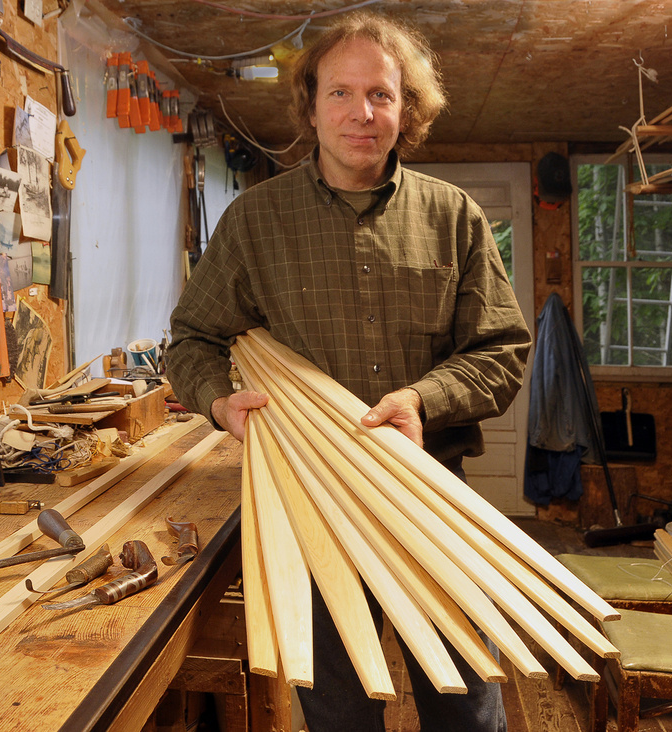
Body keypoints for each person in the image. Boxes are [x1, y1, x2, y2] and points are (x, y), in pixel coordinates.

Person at [167, 10, 532, 732]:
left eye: (381, 95)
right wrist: (217, 403)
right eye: (341, 93)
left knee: (469, 713)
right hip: (311, 512)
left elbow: (503, 350)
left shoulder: (453, 217)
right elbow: (190, 341)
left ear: (408, 110)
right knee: (338, 717)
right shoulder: (253, 221)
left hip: (432, 503)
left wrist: (424, 400)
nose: (361, 113)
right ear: (310, 104)